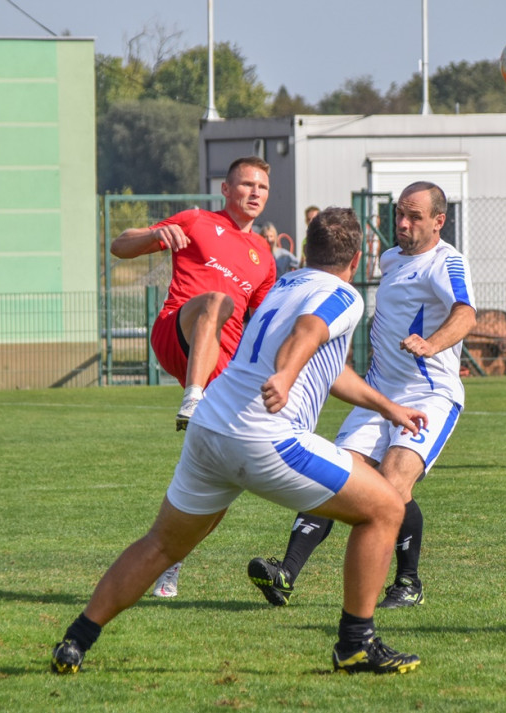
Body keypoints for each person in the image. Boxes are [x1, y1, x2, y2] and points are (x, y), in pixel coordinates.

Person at [50, 208, 425, 675]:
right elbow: (307, 335)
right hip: (265, 437)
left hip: (210, 428)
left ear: (305, 250)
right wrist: (286, 376)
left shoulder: (284, 285)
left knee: (163, 545)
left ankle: (77, 639)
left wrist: (387, 408)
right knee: (386, 509)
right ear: (355, 261)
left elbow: (327, 368)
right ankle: (356, 644)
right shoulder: (344, 295)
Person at [247, 181, 477, 610]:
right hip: (379, 393)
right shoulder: (391, 258)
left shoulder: (447, 263)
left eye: (415, 217)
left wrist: (432, 343)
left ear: (439, 222)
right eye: (399, 216)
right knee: (334, 476)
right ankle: (286, 573)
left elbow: (466, 312)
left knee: (392, 481)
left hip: (429, 394)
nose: (403, 224)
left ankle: (408, 584)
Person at [110, 156, 277, 598]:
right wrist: (151, 235)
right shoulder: (197, 221)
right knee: (216, 301)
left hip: (225, 368)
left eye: (262, 186)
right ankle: (193, 394)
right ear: (226, 189)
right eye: (246, 184)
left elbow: (258, 326)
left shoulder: (265, 258)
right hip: (177, 333)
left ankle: (174, 557)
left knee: (225, 477)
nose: (255, 192)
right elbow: (120, 246)